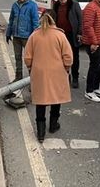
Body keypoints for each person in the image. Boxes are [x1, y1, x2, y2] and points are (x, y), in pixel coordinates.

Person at [24, 9, 73, 143]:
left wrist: (30, 68)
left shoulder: (35, 35)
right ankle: (53, 125)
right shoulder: (60, 35)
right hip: (57, 71)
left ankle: (40, 132)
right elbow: (68, 56)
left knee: (41, 100)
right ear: (55, 20)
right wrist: (67, 68)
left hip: (39, 71)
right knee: (56, 98)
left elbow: (28, 57)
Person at [6, 0, 40, 81]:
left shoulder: (32, 6)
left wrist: (35, 37)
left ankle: (32, 79)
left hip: (27, 37)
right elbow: (11, 20)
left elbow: (35, 22)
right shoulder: (15, 5)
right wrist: (8, 33)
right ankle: (18, 76)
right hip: (16, 36)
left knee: (29, 59)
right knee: (17, 58)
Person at [52, 0, 82, 88]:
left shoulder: (74, 4)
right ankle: (65, 76)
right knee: (60, 57)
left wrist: (79, 33)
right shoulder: (56, 5)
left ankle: (75, 78)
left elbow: (80, 19)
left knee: (74, 57)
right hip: (59, 35)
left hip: (72, 35)